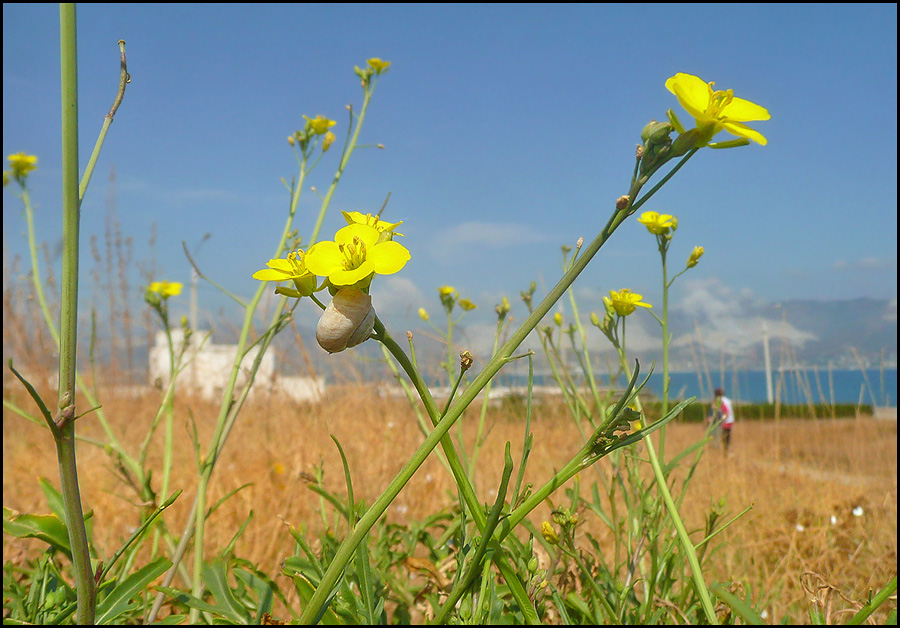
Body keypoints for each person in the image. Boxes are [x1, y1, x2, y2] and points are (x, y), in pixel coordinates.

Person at [713, 387, 735, 452]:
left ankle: (725, 450)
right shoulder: (727, 400)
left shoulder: (721, 401)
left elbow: (726, 412)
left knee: (723, 437)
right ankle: (726, 450)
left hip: (725, 422)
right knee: (727, 437)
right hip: (730, 420)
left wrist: (721, 419)